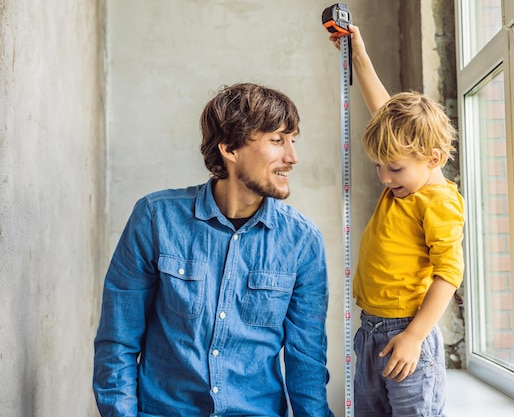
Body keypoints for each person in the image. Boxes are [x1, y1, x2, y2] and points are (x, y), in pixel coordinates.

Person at [93, 83, 334, 417]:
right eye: (277, 140)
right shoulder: (155, 218)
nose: (292, 157)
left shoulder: (302, 241)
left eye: (293, 140)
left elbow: (306, 362)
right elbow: (117, 342)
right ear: (230, 149)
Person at [329, 25, 465, 416]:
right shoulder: (407, 176)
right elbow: (382, 110)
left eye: (394, 168)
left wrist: (415, 336)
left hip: (407, 332)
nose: (385, 179)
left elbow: (449, 274)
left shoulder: (437, 201)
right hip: (370, 331)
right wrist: (358, 54)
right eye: (378, 167)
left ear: (434, 158)